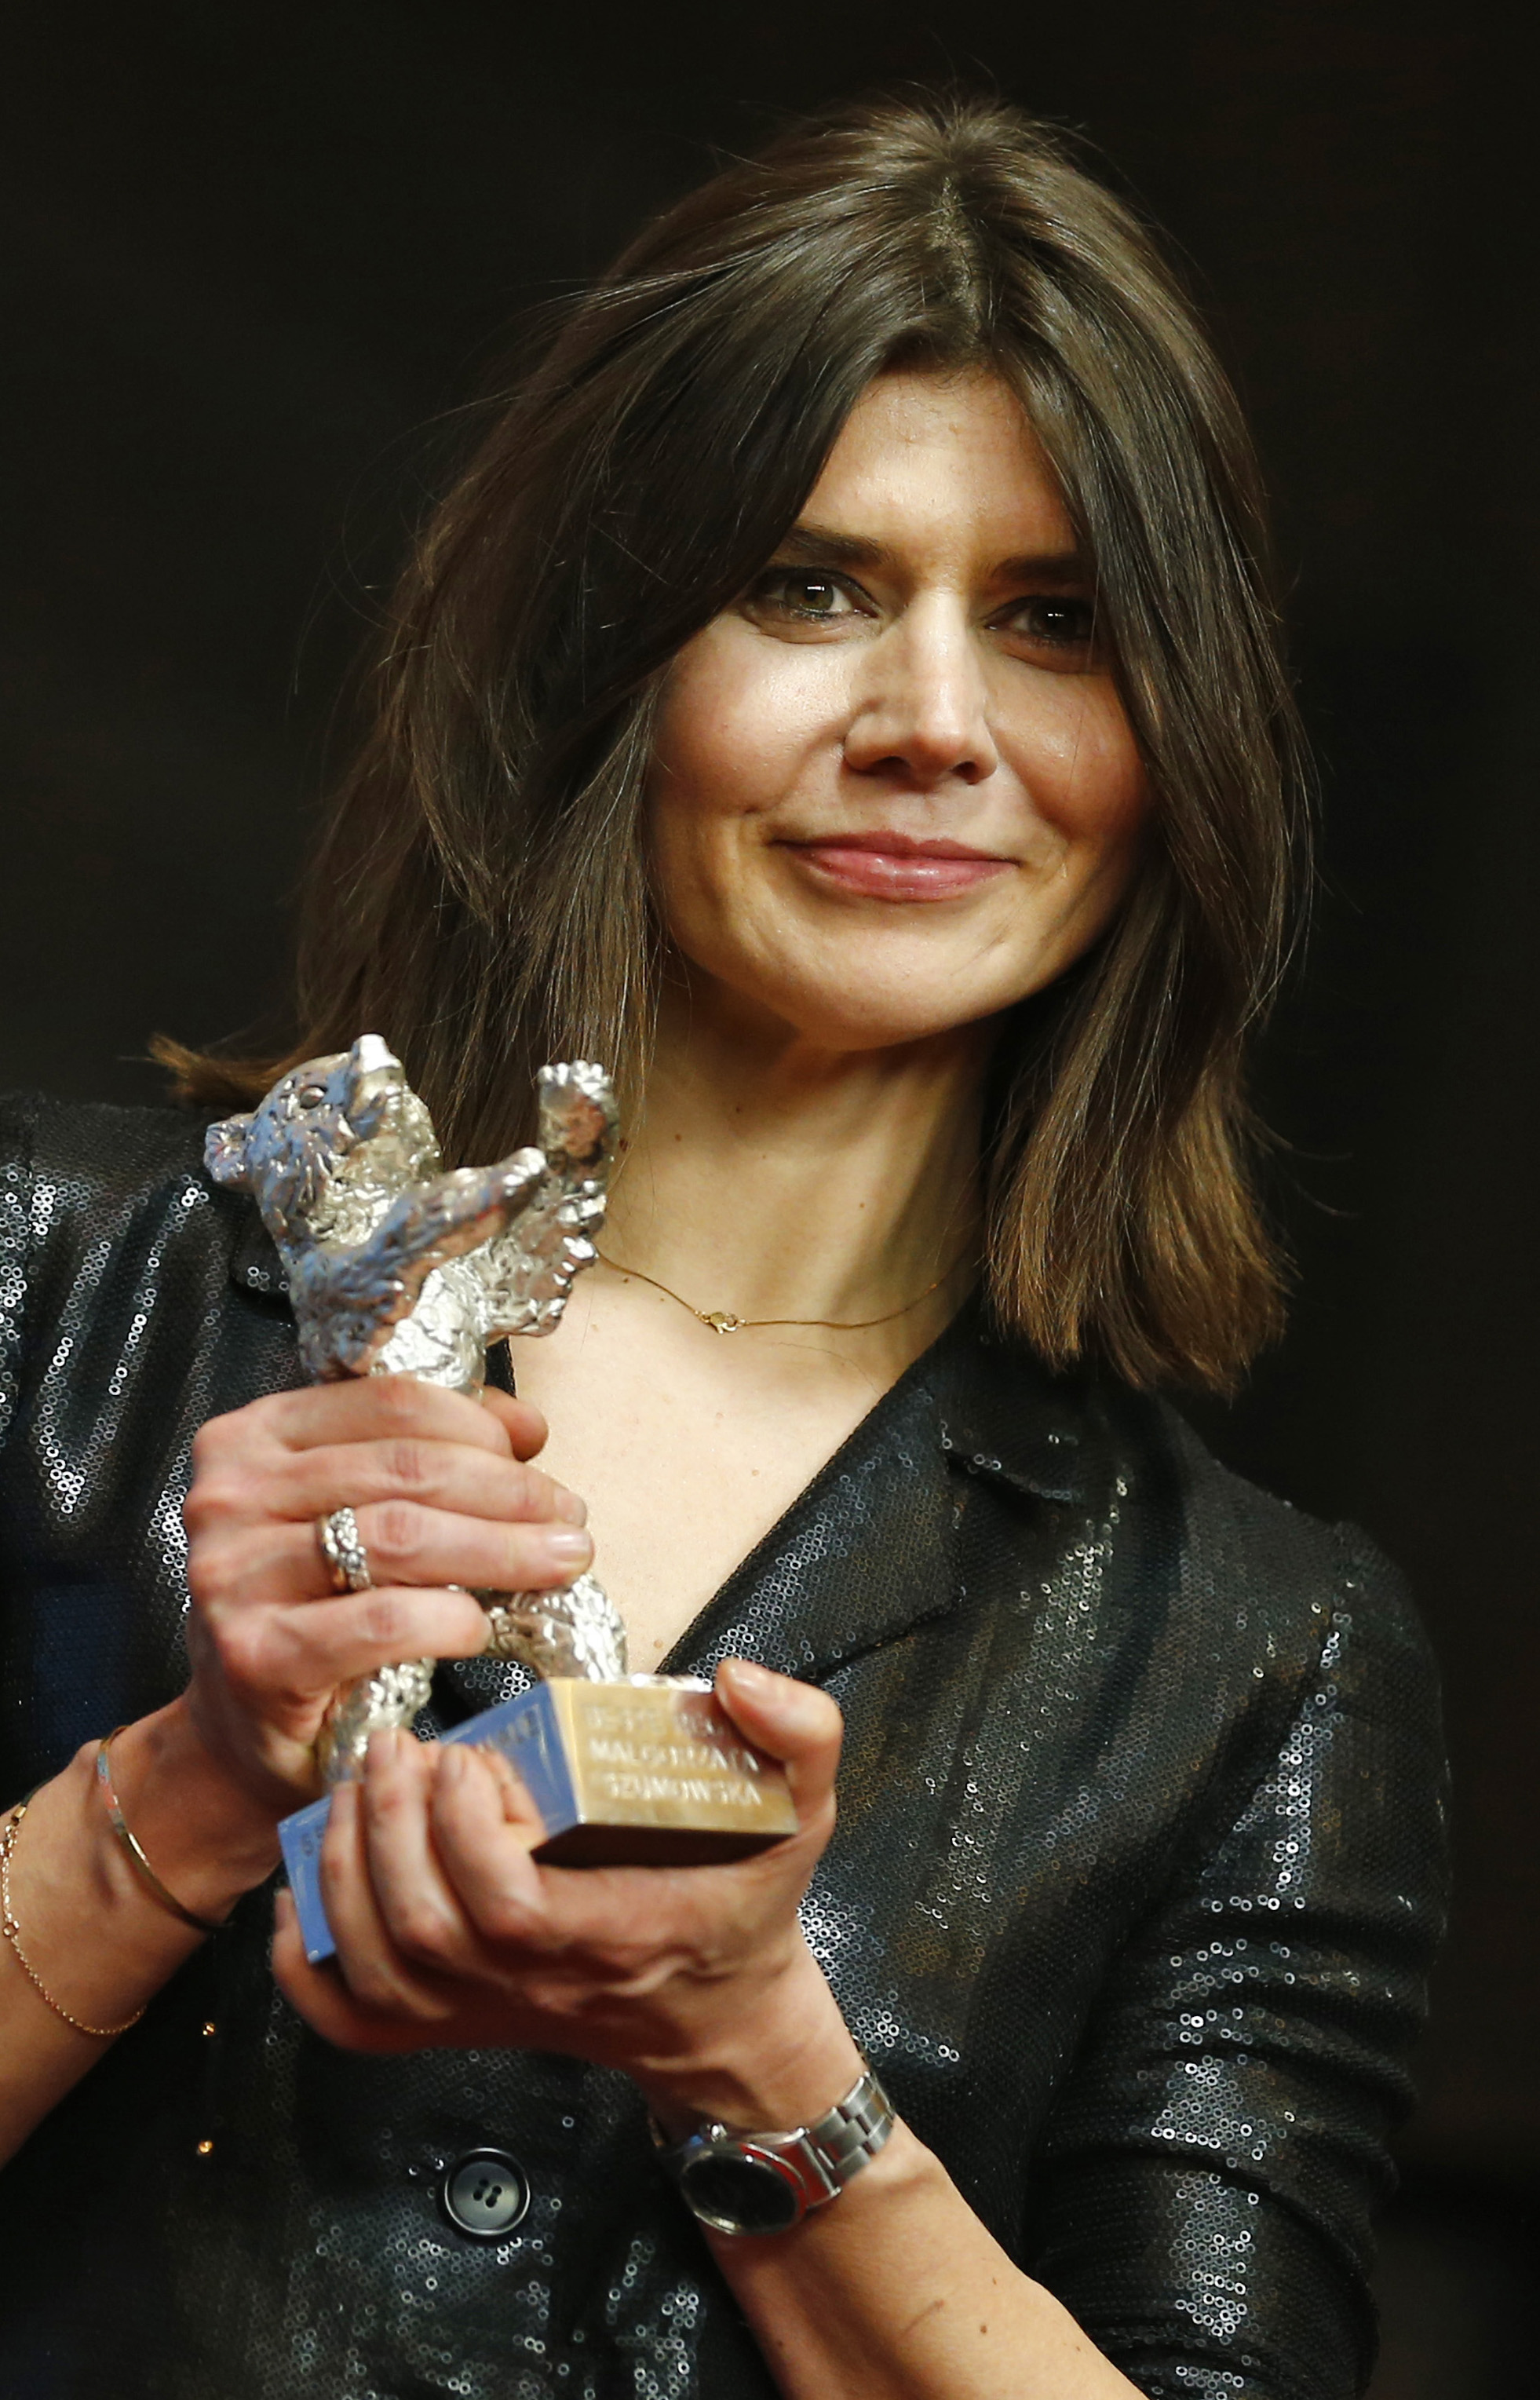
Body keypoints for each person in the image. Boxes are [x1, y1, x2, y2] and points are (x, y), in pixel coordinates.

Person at [0, 90, 1445, 2400]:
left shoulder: (1256, 1660)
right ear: (610, 657)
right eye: (811, 587)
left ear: (1177, 744)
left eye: (1056, 622)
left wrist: (768, 2064)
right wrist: (181, 1791)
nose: (934, 724)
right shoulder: (54, 1297)